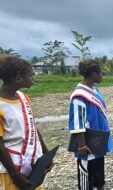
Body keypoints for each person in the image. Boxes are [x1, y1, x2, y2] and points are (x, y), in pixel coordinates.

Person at [0, 55, 51, 190]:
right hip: (14, 169)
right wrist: (15, 174)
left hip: (33, 165)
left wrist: (46, 155)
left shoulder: (23, 98)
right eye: (31, 75)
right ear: (18, 78)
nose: (33, 78)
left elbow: (32, 126)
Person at [68, 59, 113, 190]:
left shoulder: (94, 89)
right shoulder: (79, 95)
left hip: (98, 140)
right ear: (94, 74)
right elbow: (77, 122)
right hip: (87, 142)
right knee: (86, 176)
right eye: (101, 73)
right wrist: (82, 145)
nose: (102, 75)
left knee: (99, 173)